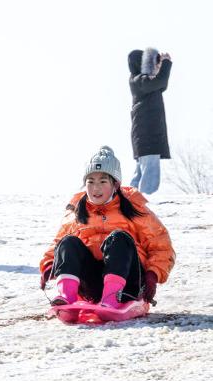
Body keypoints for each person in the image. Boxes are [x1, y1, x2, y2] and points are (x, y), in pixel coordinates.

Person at [39, 146, 175, 308]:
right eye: (91, 182)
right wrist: (48, 265)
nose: (96, 188)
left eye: (103, 181)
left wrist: (153, 275)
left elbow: (161, 246)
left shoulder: (134, 208)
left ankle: (112, 297)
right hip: (92, 285)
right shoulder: (77, 211)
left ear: (115, 185)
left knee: (119, 238)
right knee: (69, 242)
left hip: (127, 283)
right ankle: (67, 296)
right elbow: (58, 244)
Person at [127, 47, 172, 194]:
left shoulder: (141, 82)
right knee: (150, 172)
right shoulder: (139, 80)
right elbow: (160, 81)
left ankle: (129, 200)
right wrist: (165, 64)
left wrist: (160, 66)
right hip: (147, 134)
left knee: (140, 172)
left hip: (145, 135)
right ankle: (146, 200)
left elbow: (161, 84)